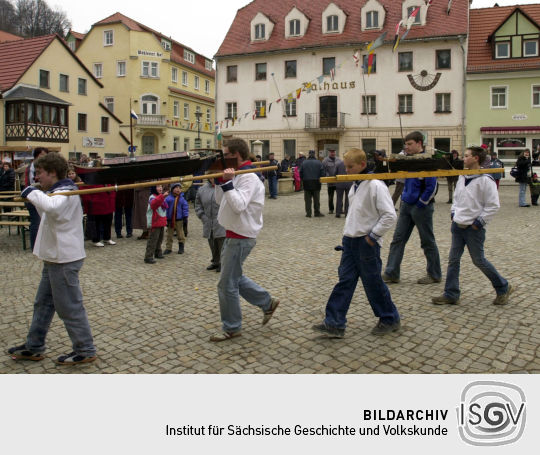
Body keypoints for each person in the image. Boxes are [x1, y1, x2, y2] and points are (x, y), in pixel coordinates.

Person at [8, 153, 97, 365]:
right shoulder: (55, 192)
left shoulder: (65, 192)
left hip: (64, 259)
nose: (37, 178)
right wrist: (36, 194)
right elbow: (46, 211)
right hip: (54, 258)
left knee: (69, 307)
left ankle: (85, 349)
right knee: (43, 304)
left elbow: (52, 207)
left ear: (53, 173)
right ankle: (34, 345)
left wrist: (31, 191)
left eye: (39, 173)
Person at [313, 148, 400, 337]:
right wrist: (348, 235)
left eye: (350, 167)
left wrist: (372, 236)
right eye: (346, 167)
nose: (347, 170)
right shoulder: (355, 185)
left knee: (373, 283)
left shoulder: (376, 185)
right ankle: (334, 322)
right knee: (345, 281)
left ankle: (389, 318)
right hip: (350, 241)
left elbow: (389, 215)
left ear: (362, 165)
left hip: (366, 242)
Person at [210, 137, 279, 342]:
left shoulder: (248, 177)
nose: (224, 159)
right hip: (233, 233)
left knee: (226, 284)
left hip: (241, 236)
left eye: (227, 155)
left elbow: (239, 205)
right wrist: (218, 183)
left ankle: (232, 327)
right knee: (234, 277)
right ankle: (267, 302)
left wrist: (228, 183)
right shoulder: (238, 174)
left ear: (237, 155)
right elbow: (222, 201)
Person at [432, 146, 513, 306]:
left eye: (467, 156)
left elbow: (493, 205)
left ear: (476, 158)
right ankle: (451, 293)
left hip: (473, 228)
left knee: (479, 260)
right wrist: (454, 213)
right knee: (453, 260)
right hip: (458, 225)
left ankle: (503, 286)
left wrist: (479, 223)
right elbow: (457, 198)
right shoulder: (462, 177)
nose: (464, 158)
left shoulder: (485, 180)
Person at [383, 131, 441, 285]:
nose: (406, 147)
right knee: (397, 239)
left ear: (419, 144)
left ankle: (434, 274)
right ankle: (391, 273)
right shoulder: (408, 161)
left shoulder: (427, 160)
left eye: (409, 144)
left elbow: (432, 187)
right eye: (405, 144)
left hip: (421, 207)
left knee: (427, 241)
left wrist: (421, 203)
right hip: (406, 205)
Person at [195, 180, 226, 272]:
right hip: (208, 221)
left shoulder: (223, 187)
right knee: (212, 241)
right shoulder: (202, 189)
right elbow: (198, 205)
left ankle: (223, 263)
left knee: (222, 243)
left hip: (221, 221)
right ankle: (216, 261)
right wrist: (202, 216)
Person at [25, 147, 48, 249]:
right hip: (34, 196)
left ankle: (41, 244)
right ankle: (35, 246)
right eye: (42, 155)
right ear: (37, 156)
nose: (44, 157)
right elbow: (33, 182)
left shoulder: (39, 166)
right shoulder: (33, 167)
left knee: (42, 222)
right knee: (36, 222)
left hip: (39, 195)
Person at [144, 184, 168, 264]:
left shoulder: (160, 196)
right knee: (153, 240)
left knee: (159, 239)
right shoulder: (152, 197)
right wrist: (162, 196)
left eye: (161, 186)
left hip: (161, 221)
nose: (160, 188)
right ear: (154, 188)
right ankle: (148, 256)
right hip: (155, 221)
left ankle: (158, 252)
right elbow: (154, 205)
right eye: (158, 186)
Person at [164, 183, 188, 254]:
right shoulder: (168, 199)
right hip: (170, 219)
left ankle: (181, 247)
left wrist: (185, 217)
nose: (178, 189)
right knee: (169, 234)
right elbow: (166, 209)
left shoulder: (182, 199)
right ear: (172, 189)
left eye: (179, 188)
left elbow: (185, 208)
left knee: (180, 233)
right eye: (176, 188)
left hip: (179, 219)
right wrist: (165, 218)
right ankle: (168, 248)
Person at [300, 150, 325, 218]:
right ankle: (317, 212)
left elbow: (300, 173)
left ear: (309, 154)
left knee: (307, 199)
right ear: (314, 154)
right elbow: (322, 173)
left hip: (306, 182)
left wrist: (303, 179)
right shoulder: (319, 162)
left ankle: (308, 213)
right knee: (316, 199)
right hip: (316, 182)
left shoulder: (304, 162)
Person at [322, 149, 342, 214]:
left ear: (335, 153)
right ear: (329, 153)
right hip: (330, 182)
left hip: (338, 181)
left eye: (333, 152)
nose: (332, 153)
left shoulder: (339, 160)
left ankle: (340, 209)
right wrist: (327, 176)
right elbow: (323, 170)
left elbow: (341, 169)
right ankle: (331, 209)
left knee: (339, 196)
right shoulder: (325, 161)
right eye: (331, 152)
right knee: (330, 197)